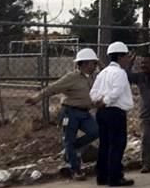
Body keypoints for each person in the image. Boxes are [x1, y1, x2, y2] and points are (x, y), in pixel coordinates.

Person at [25, 48, 100, 181]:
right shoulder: (71, 77)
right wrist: (37, 97)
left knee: (95, 131)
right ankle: (75, 169)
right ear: (84, 63)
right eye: (93, 63)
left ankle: (72, 148)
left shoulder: (89, 78)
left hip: (84, 112)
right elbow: (53, 88)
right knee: (69, 139)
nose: (95, 66)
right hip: (70, 112)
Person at [90, 41, 135, 187]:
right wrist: (106, 101)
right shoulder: (120, 73)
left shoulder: (102, 73)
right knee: (117, 145)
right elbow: (116, 91)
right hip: (115, 112)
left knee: (105, 144)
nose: (128, 59)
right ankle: (115, 177)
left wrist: (98, 102)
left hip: (102, 113)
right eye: (127, 56)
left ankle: (102, 175)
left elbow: (93, 92)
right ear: (121, 57)